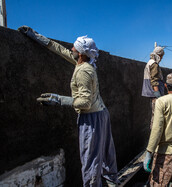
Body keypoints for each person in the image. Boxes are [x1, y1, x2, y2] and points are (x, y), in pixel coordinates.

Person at [18, 26, 118, 187]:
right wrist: (35, 36)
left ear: (80, 53)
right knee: (106, 153)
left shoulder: (83, 71)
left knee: (90, 160)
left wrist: (58, 99)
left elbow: (84, 103)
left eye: (74, 47)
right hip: (101, 113)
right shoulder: (85, 63)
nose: (71, 48)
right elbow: (61, 50)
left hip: (91, 118)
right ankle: (112, 181)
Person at [142, 46, 165, 129]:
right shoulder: (154, 64)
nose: (162, 58)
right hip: (155, 94)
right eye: (162, 56)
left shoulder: (150, 62)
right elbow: (154, 80)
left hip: (153, 94)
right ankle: (155, 136)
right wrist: (158, 95)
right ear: (159, 55)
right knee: (157, 116)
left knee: (154, 115)